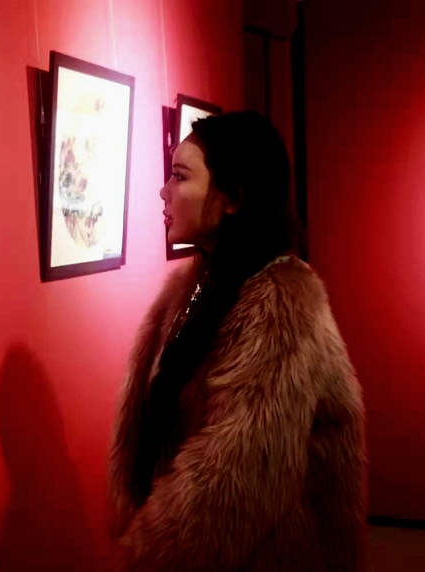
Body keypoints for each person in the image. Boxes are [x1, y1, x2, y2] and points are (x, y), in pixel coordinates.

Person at [108, 111, 367, 571]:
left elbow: (241, 477)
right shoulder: (200, 286)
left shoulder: (281, 302)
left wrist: (145, 551)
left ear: (232, 198)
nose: (164, 192)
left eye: (180, 176)